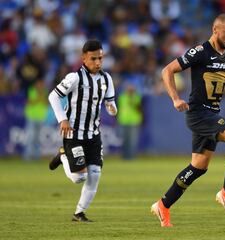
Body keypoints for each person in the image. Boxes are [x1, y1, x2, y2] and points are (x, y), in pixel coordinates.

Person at [150, 14, 225, 227]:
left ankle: (163, 205)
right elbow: (167, 70)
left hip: (211, 114)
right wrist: (175, 98)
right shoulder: (200, 52)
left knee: (198, 167)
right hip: (199, 114)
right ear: (215, 30)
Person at [48, 39, 117, 222]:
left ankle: (79, 213)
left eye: (100, 58)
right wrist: (62, 119)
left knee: (94, 175)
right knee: (79, 178)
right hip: (74, 134)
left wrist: (112, 107)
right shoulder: (74, 78)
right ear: (84, 59)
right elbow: (53, 96)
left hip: (94, 135)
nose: (98, 62)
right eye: (93, 59)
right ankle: (63, 156)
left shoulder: (106, 78)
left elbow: (110, 101)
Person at [23, 79, 48, 161]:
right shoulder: (31, 90)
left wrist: (40, 99)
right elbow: (29, 101)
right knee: (31, 137)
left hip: (40, 117)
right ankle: (28, 156)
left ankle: (36, 157)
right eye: (39, 83)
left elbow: (46, 102)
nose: (40, 85)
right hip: (32, 116)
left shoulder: (45, 91)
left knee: (38, 138)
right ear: (36, 84)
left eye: (41, 83)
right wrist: (39, 98)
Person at [117, 83, 143, 160]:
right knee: (124, 140)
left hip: (134, 121)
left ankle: (132, 157)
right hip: (123, 120)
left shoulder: (137, 97)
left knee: (132, 141)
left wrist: (132, 100)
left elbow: (139, 108)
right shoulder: (122, 96)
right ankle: (125, 156)